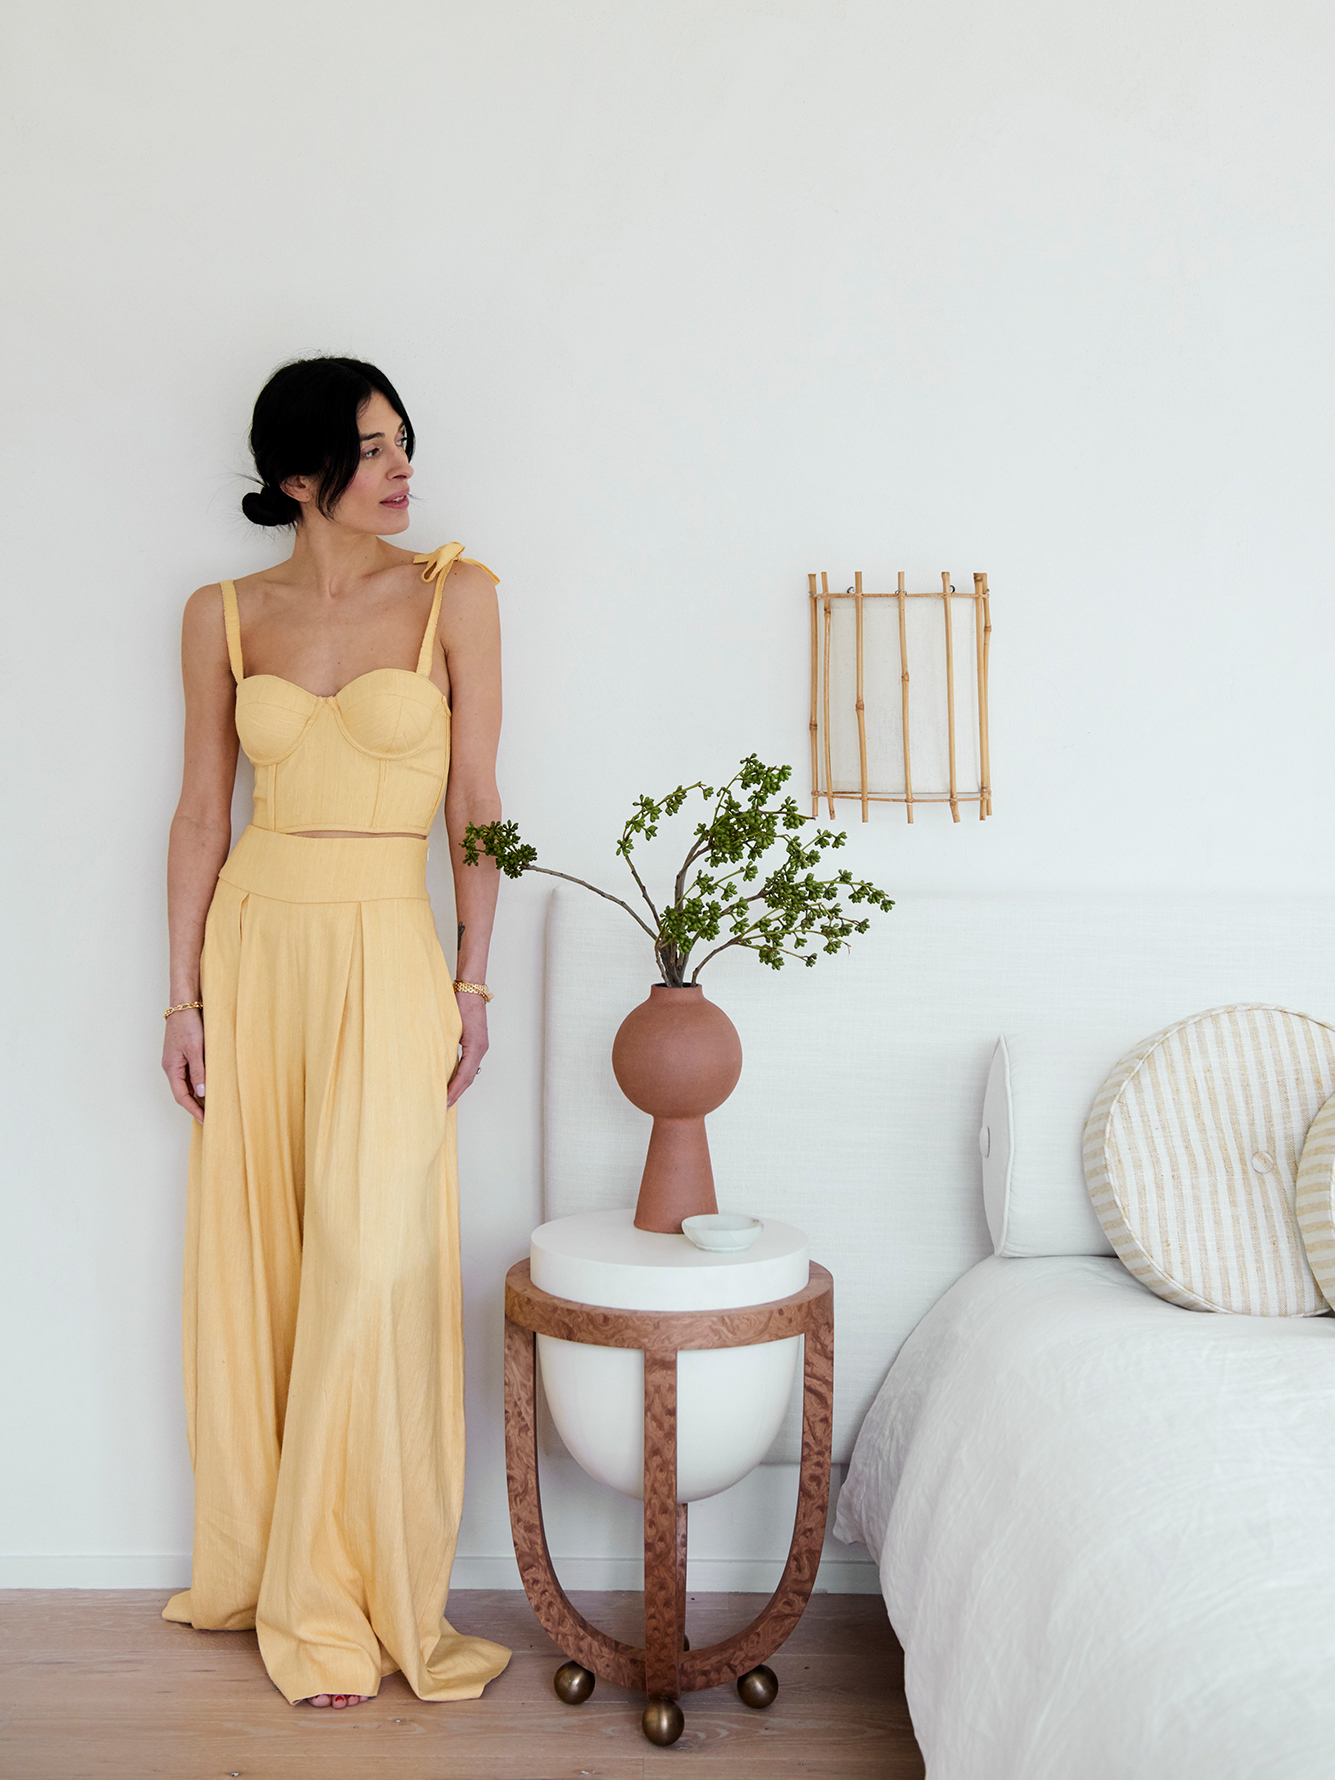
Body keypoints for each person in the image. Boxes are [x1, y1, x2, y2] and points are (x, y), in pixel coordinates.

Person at [159, 356, 511, 1708]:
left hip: (387, 942)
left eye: (402, 441)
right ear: (300, 476)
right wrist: (180, 1000)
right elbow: (203, 812)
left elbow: (474, 800)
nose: (400, 468)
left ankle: (338, 1591)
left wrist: (476, 981)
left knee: (370, 1259)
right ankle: (283, 1576)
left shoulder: (455, 598)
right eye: (369, 450)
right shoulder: (221, 616)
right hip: (259, 945)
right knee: (276, 1265)